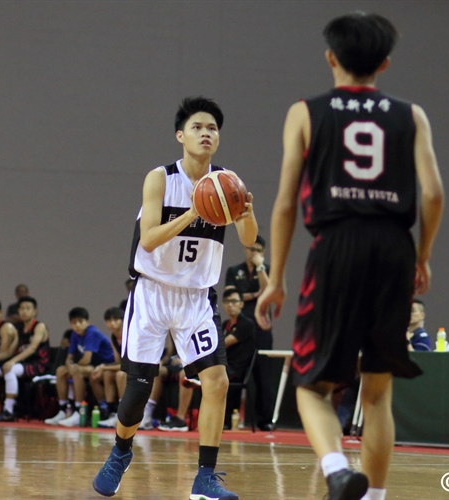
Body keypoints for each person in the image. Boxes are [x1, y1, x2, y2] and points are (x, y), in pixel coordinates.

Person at [255, 13, 444, 500]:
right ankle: (376, 497)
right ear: (385, 63)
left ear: (330, 57)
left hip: (337, 245)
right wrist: (421, 255)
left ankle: (338, 471)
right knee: (378, 392)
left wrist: (275, 278)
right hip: (393, 246)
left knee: (310, 384)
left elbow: (284, 204)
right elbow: (434, 195)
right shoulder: (411, 115)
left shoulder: (306, 112)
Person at [93, 96, 258, 500]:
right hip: (151, 293)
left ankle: (204, 477)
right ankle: (121, 450)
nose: (206, 133)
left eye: (213, 128)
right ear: (180, 135)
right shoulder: (161, 179)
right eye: (198, 127)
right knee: (137, 391)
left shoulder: (226, 182)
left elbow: (250, 241)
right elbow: (148, 239)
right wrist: (193, 212)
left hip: (196, 298)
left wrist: (245, 213)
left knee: (216, 381)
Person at [224, 235, 275, 431]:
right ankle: (228, 418)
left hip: (261, 328)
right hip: (240, 327)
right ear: (245, 249)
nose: (253, 253)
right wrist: (256, 294)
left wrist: (261, 267)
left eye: (258, 250)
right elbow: (231, 295)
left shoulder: (268, 270)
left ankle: (265, 420)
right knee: (234, 372)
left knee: (264, 375)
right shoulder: (234, 270)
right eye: (251, 249)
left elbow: (269, 290)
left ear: (263, 253)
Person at [49, 307, 115, 427]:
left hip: (105, 365)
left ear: (88, 322)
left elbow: (86, 359)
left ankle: (79, 412)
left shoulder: (92, 332)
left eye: (80, 321)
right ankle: (63, 410)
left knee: (76, 371)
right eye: (74, 323)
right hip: (90, 366)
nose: (77, 325)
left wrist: (72, 367)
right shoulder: (74, 334)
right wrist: (69, 366)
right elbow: (69, 357)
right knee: (60, 371)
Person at [0, 296, 50, 422]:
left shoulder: (40, 326)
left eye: (28, 308)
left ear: (35, 311)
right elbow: (11, 351)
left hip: (39, 364)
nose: (24, 311)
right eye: (22, 309)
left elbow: (32, 348)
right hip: (23, 363)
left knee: (10, 369)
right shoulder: (18, 329)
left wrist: (12, 361)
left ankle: (8, 410)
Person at [220, 289, 256, 430]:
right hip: (225, 366)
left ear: (241, 304)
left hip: (238, 369)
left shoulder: (246, 324)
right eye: (227, 302)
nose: (230, 305)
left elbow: (223, 344)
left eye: (234, 301)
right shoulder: (224, 325)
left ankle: (225, 421)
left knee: (213, 376)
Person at [95, 307, 128, 428]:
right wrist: (103, 367)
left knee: (120, 374)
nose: (112, 323)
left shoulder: (130, 334)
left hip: (142, 366)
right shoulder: (113, 338)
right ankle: (111, 412)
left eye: (115, 320)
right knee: (108, 374)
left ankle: (123, 414)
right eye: (108, 320)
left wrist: (103, 367)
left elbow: (129, 364)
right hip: (128, 366)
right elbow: (118, 362)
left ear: (123, 320)